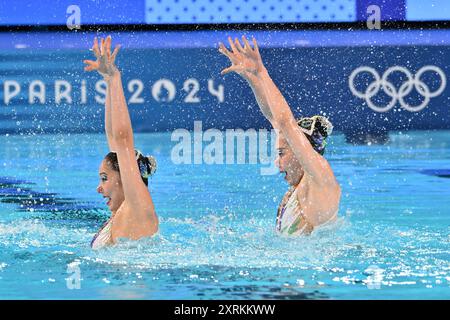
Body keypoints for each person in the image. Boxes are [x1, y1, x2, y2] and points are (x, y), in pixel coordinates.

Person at [219, 36, 341, 236]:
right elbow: (275, 118)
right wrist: (251, 77)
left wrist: (261, 71)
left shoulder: (320, 177)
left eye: (281, 153)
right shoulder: (304, 182)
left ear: (301, 150)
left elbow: (286, 122)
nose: (276, 163)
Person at [83, 36, 159, 249]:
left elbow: (123, 139)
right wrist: (108, 82)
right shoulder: (126, 209)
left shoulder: (137, 208)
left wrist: (115, 78)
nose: (99, 188)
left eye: (104, 178)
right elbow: (115, 140)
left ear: (124, 177)